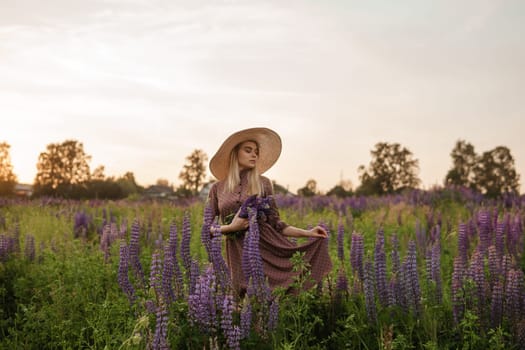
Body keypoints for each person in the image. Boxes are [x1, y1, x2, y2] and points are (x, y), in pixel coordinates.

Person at [207, 127, 333, 295]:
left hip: (267, 250)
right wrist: (230, 228)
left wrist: (308, 233)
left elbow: (277, 224)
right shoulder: (217, 189)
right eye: (248, 150)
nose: (254, 155)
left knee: (271, 300)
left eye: (256, 152)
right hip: (236, 254)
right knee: (241, 303)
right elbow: (206, 230)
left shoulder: (264, 183)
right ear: (235, 154)